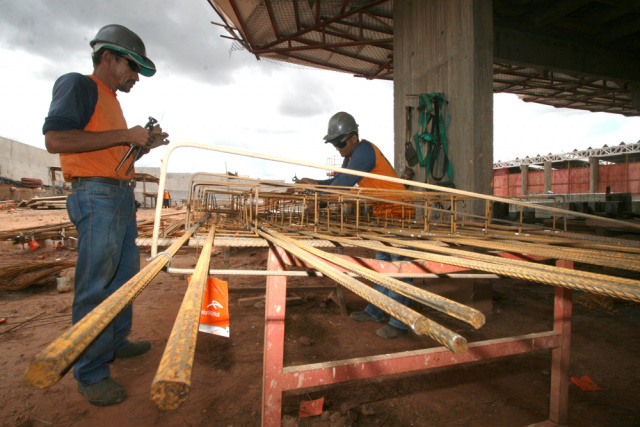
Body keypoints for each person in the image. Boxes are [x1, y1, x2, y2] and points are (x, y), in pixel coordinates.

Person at [42, 24, 169, 406]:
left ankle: (113, 343)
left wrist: (142, 146)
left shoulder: (110, 101)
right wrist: (125, 136)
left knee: (122, 281)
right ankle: (91, 372)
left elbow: (113, 157)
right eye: (132, 67)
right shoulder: (78, 85)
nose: (135, 77)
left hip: (116, 196)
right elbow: (56, 140)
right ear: (108, 56)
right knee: (95, 286)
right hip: (95, 197)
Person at [298, 112, 415, 340]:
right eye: (333, 143)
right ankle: (377, 311)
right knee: (382, 264)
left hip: (399, 212)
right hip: (383, 213)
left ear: (353, 138)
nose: (336, 147)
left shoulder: (364, 152)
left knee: (399, 268)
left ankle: (400, 322)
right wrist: (315, 184)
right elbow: (337, 180)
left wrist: (318, 201)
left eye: (339, 142)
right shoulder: (350, 157)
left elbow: (343, 185)